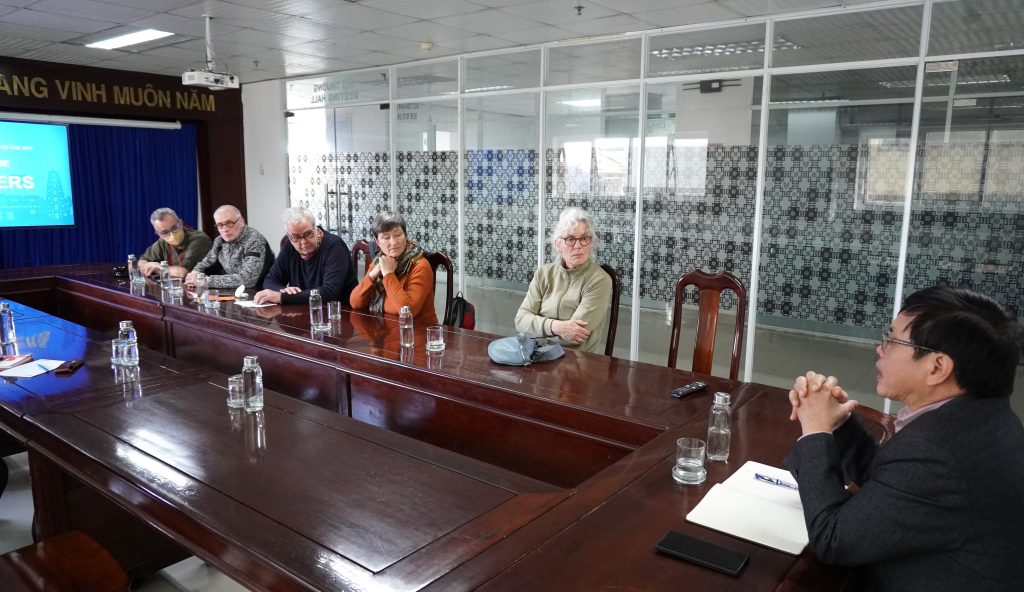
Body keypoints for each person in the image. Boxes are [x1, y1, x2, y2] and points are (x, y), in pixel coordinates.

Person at [784, 286, 1024, 592]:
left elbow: (833, 541)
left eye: (893, 340)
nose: (880, 348)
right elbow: (897, 483)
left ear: (937, 367)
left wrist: (816, 430)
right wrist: (838, 423)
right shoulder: (984, 417)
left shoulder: (936, 452)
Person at [515, 207, 612, 353]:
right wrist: (558, 327)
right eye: (570, 239)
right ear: (557, 244)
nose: (578, 246)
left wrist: (536, 328)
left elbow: (575, 335)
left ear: (591, 243)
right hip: (535, 355)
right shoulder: (544, 273)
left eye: (584, 238)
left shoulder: (599, 280)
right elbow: (521, 320)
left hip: (577, 359)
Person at [253, 207, 356, 305]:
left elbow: (330, 292)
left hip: (338, 311)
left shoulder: (335, 247)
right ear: (289, 236)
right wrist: (283, 291)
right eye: (296, 237)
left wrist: (283, 297)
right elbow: (270, 280)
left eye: (308, 234)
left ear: (316, 229)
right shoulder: (289, 246)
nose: (303, 242)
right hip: (301, 308)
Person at [349, 212, 438, 325]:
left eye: (398, 235)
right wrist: (372, 275)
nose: (394, 242)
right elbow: (355, 303)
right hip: (383, 329)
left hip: (417, 331)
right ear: (377, 242)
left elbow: (408, 311)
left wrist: (388, 274)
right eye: (386, 237)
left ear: (405, 235)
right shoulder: (380, 261)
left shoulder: (420, 266)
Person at [185, 205, 275, 293]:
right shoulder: (219, 241)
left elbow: (248, 280)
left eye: (229, 223)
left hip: (261, 293)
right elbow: (206, 262)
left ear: (241, 222)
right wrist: (194, 273)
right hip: (235, 292)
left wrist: (207, 281)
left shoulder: (254, 240)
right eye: (220, 225)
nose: (225, 229)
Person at [138, 207, 212, 278]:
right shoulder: (162, 241)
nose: (172, 234)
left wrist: (158, 267)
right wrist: (153, 266)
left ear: (181, 223)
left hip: (204, 285)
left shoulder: (199, 239)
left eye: (174, 227)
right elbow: (141, 261)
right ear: (158, 234)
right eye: (165, 232)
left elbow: (183, 273)